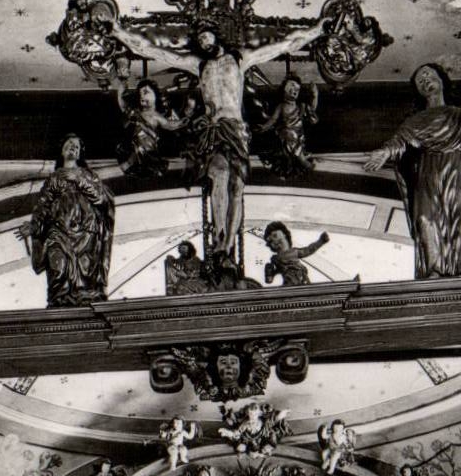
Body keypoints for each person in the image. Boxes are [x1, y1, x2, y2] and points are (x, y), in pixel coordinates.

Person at [110, 16, 332, 255]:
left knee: (236, 187)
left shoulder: (239, 59)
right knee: (219, 175)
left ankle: (229, 245)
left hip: (236, 129)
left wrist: (317, 31)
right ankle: (219, 235)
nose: (204, 42)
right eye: (200, 39)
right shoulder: (198, 65)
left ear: (217, 35)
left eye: (207, 36)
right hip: (214, 129)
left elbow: (286, 44)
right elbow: (152, 49)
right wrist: (118, 31)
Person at [364, 63, 461, 278]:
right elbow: (399, 141)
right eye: (420, 80)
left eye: (429, 75)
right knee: (425, 219)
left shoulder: (459, 115)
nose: (425, 80)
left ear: (441, 81)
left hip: (457, 166)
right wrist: (384, 153)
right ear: (418, 91)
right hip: (427, 169)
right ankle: (433, 270)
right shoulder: (414, 121)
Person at [29, 134, 114, 306]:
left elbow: (101, 199)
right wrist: (33, 225)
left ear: (80, 153)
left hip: (86, 232)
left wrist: (80, 181)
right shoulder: (54, 178)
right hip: (58, 230)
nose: (73, 147)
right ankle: (60, 297)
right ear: (61, 150)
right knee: (58, 266)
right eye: (69, 144)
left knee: (85, 267)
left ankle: (83, 295)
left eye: (76, 146)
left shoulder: (88, 175)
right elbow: (43, 204)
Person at [262, 221, 330, 286]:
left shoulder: (294, 252)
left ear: (284, 235)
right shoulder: (276, 259)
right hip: (290, 284)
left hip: (303, 281)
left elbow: (309, 250)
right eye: (270, 241)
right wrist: (269, 273)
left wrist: (321, 241)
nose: (275, 241)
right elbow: (269, 280)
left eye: (275, 235)